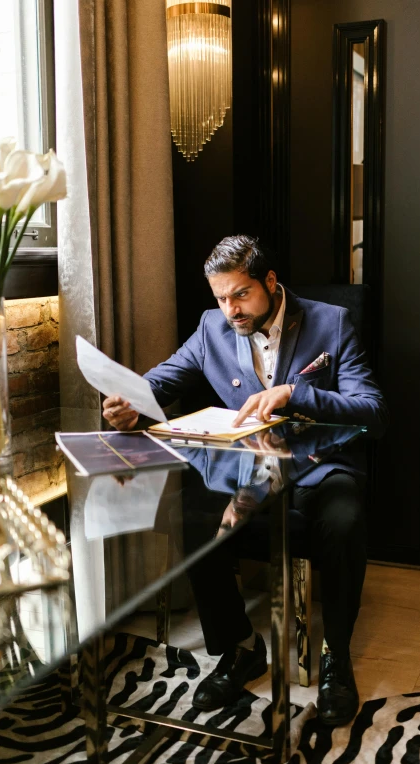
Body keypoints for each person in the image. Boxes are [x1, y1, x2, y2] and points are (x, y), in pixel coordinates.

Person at [102, 234, 389, 725]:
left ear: (270, 283)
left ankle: (335, 658)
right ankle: (237, 646)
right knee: (192, 514)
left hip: (321, 468)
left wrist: (295, 393)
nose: (230, 309)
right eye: (220, 297)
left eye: (240, 294)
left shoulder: (331, 322)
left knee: (343, 522)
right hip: (248, 475)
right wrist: (131, 404)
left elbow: (373, 412)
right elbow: (163, 379)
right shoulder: (212, 327)